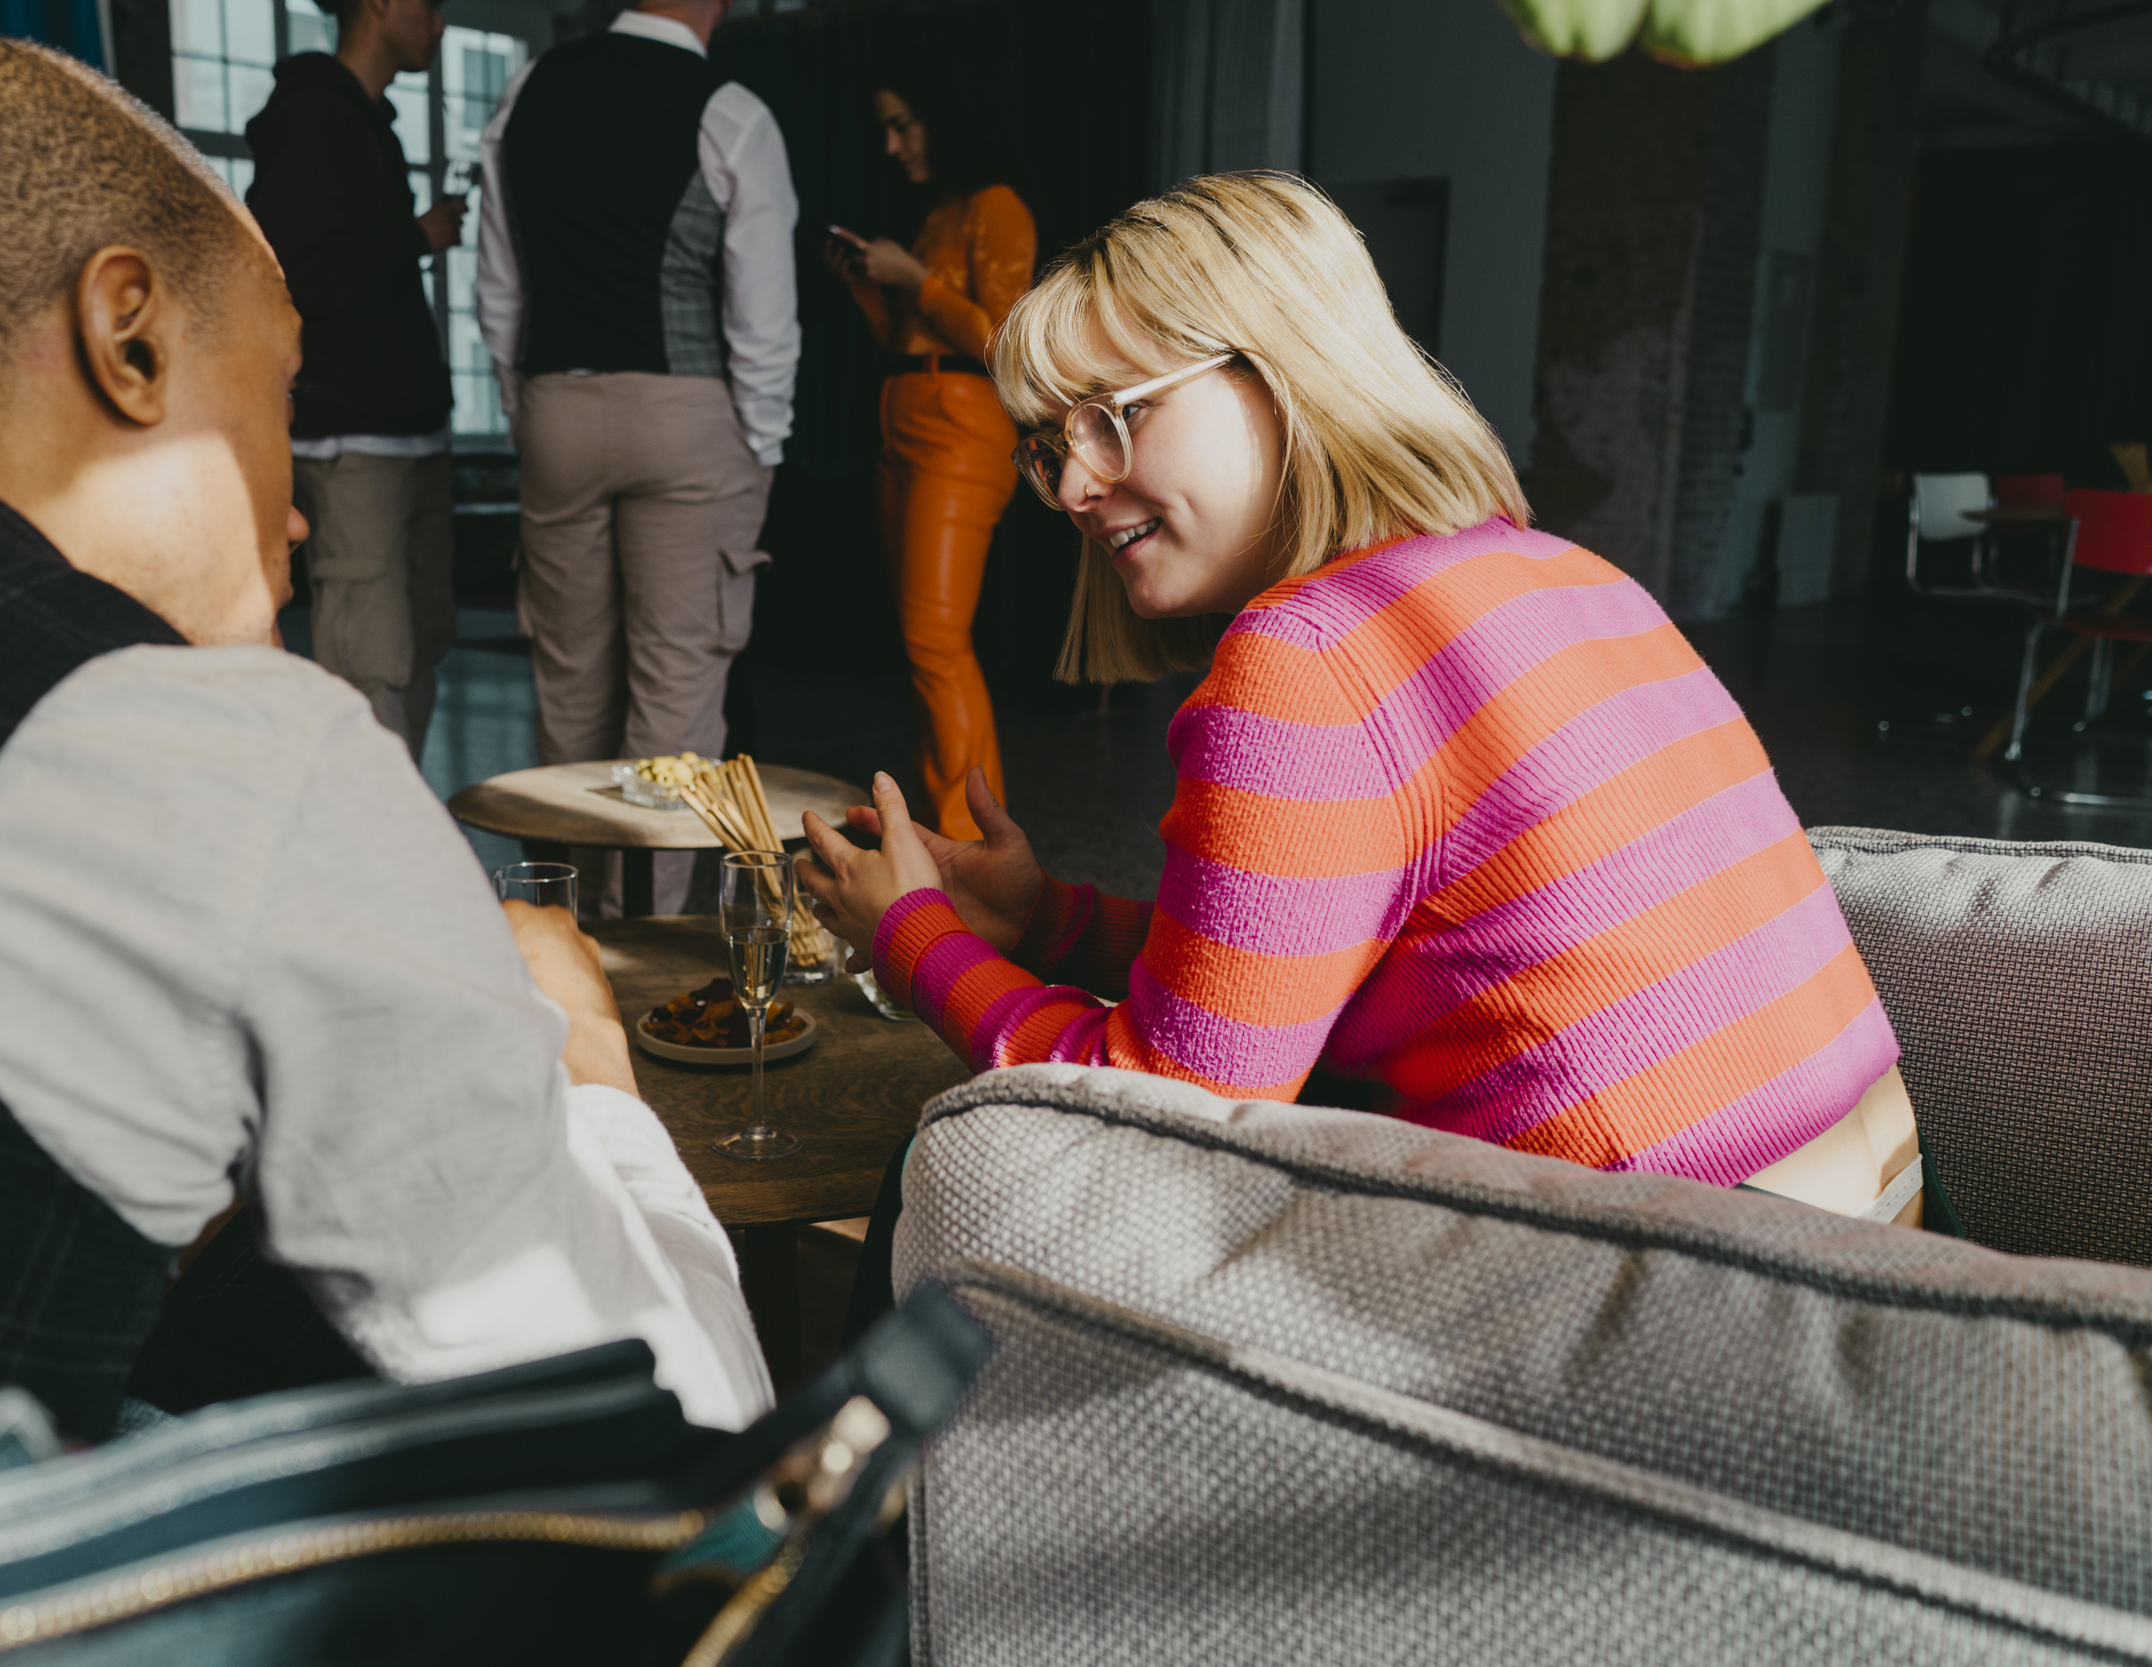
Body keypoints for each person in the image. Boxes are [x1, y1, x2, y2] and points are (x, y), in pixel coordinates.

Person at [0, 37, 767, 1520]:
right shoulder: (201, 746)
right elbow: (686, 1442)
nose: (296, 511)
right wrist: (588, 1061)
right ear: (129, 337)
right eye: (281, 391)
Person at [799, 172, 1928, 1224]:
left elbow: (1165, 1119)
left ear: (1282, 370)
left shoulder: (1307, 656)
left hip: (1687, 1271)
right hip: (1882, 1219)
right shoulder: (1565, 570)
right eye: (1052, 446)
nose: (1077, 487)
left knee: (941, 1165)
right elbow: (1289, 965)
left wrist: (914, 938)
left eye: (1116, 415)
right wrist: (1045, 921)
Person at [473, 0, 800, 913]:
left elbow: (499, 290)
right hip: (688, 418)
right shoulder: (730, 110)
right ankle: (641, 937)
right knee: (675, 696)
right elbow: (763, 317)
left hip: (555, 408)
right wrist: (761, 447)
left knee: (569, 687)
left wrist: (528, 411)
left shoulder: (527, 92)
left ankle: (571, 924)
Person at [245, 0, 463, 759]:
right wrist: (416, 235)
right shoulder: (311, 115)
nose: (440, 25)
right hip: (352, 436)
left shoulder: (365, 121)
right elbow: (294, 272)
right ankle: (372, 833)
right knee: (372, 663)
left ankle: (401, 823)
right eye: (431, 6)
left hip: (408, 430)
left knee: (417, 647)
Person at [827, 58, 1035, 843]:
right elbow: (909, 340)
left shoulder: (996, 206)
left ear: (942, 119)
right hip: (906, 424)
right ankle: (964, 834)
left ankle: (971, 846)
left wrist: (915, 277)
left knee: (935, 641)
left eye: (902, 125)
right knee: (930, 646)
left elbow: (1005, 343)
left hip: (960, 432)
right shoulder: (942, 210)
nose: (892, 145)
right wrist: (867, 288)